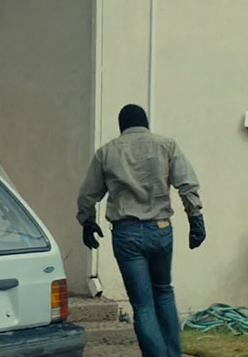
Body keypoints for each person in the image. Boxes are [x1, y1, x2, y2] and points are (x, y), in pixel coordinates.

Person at [76, 104, 206, 357]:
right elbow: (187, 184)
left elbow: (87, 195)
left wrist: (87, 222)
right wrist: (195, 219)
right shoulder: (166, 145)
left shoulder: (107, 152)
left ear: (121, 126)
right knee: (164, 292)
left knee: (143, 305)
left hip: (126, 234)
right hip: (161, 229)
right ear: (145, 122)